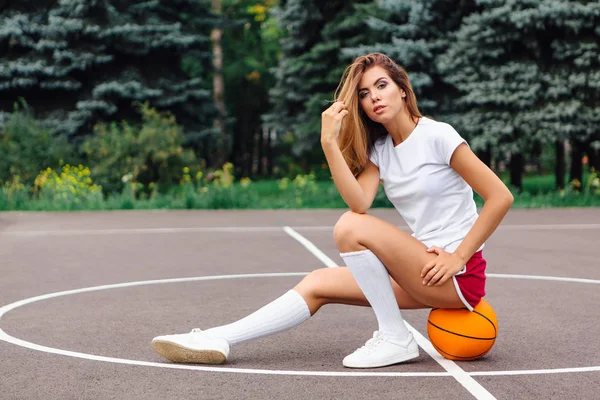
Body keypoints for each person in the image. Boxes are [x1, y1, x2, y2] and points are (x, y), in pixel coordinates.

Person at [151, 52, 513, 369]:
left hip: (457, 276)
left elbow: (500, 197)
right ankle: (219, 338)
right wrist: (328, 142)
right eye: (364, 94)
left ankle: (394, 338)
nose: (374, 98)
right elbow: (359, 202)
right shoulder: (381, 151)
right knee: (317, 282)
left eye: (382, 85)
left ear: (402, 89)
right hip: (420, 272)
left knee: (349, 228)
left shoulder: (437, 135)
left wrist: (457, 257)